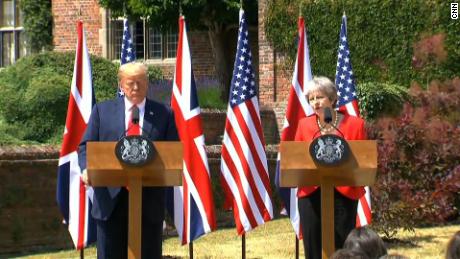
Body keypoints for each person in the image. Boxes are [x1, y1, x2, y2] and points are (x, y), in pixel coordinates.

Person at [78, 62, 178, 259]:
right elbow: (85, 147)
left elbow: (173, 152)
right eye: (131, 83)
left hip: (148, 204)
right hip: (110, 202)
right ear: (121, 84)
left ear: (147, 84)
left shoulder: (163, 114)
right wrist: (86, 169)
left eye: (140, 82)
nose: (136, 88)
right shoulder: (102, 111)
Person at [295, 76, 367, 259]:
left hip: (344, 193)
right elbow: (296, 158)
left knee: (342, 247)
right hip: (311, 194)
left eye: (320, 97)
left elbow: (364, 159)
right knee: (313, 246)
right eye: (311, 99)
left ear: (333, 98)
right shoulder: (304, 125)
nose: (315, 103)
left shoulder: (355, 125)